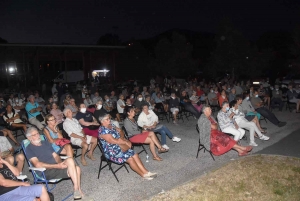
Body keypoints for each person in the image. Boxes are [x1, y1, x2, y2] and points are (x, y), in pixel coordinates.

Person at [25, 127, 93, 200]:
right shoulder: (29, 149)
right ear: (29, 138)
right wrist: (58, 166)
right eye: (34, 135)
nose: (38, 136)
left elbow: (55, 155)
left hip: (57, 166)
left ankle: (76, 190)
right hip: (46, 171)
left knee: (70, 160)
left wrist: (61, 163)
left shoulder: (45, 143)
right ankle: (80, 192)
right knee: (77, 169)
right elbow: (37, 164)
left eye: (38, 133)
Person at [98, 114, 157, 180]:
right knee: (130, 159)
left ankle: (146, 172)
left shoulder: (111, 125)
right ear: (102, 121)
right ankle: (143, 175)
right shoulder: (103, 131)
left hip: (120, 146)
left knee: (135, 154)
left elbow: (121, 133)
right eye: (107, 119)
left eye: (109, 118)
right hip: (111, 151)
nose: (109, 120)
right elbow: (114, 141)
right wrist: (125, 142)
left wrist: (121, 136)